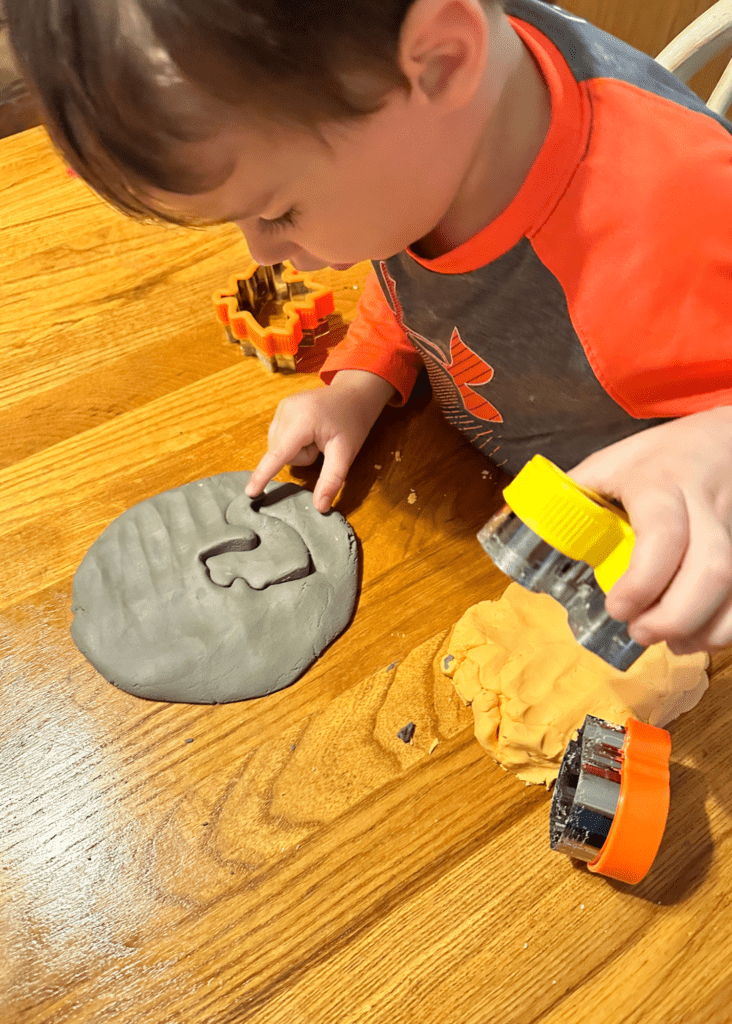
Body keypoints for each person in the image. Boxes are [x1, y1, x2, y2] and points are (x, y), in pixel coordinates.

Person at [8, 0, 732, 656]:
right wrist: (363, 374)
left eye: (278, 212)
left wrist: (717, 449)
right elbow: (412, 270)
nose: (261, 254)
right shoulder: (430, 135)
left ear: (443, 61)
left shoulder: (685, 217)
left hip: (648, 578)